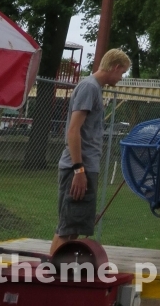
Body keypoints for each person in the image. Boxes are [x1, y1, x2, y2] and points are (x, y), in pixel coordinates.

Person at [49, 48, 131, 253]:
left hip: (85, 167)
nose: (120, 78)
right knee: (68, 228)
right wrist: (79, 170)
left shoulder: (94, 88)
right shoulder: (89, 87)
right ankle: (51, 275)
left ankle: (57, 271)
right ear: (116, 67)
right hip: (77, 168)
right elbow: (73, 130)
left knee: (74, 228)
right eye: (122, 73)